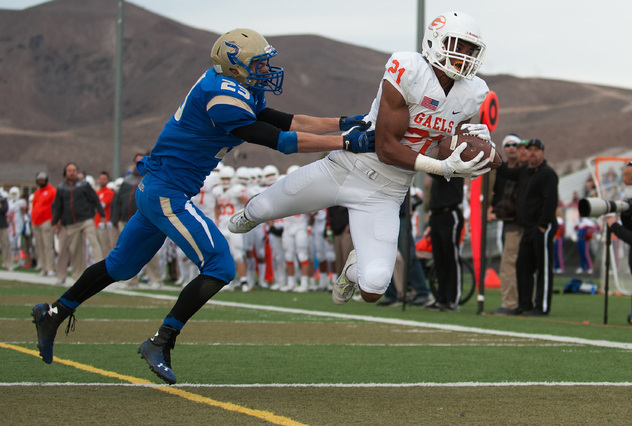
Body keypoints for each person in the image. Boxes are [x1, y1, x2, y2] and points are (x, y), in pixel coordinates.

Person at [31, 28, 375, 385]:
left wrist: (342, 124)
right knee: (221, 265)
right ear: (235, 66)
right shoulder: (222, 98)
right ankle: (161, 341)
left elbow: (286, 120)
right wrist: (347, 143)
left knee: (120, 266)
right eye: (257, 64)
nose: (264, 70)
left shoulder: (232, 86)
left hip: (158, 188)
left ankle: (54, 312)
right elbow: (281, 141)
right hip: (168, 192)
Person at [229, 12, 493, 306]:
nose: (464, 55)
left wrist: (468, 146)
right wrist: (441, 167)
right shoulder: (409, 70)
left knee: (374, 288)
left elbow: (443, 147)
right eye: (458, 45)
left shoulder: (472, 93)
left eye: (470, 50)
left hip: (386, 192)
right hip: (346, 167)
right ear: (435, 41)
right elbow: (387, 148)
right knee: (259, 209)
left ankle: (354, 269)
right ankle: (251, 215)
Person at [502, 139, 558, 316]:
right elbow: (505, 171)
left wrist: (543, 224)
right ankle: (524, 304)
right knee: (522, 266)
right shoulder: (525, 172)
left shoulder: (548, 174)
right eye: (530, 149)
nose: (533, 153)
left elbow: (551, 200)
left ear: (542, 152)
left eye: (536, 150)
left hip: (542, 226)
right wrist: (488, 153)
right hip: (526, 227)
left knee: (543, 268)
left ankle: (541, 306)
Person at [111, 153, 165, 288]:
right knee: (127, 251)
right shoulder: (127, 180)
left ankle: (156, 279)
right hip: (126, 220)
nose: (138, 164)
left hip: (146, 221)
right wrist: (116, 218)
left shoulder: (151, 178)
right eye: (136, 162)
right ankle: (131, 280)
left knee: (149, 250)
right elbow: (118, 201)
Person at [51, 162, 105, 283]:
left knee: (93, 241)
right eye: (70, 170)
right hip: (71, 223)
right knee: (75, 250)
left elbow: (95, 199)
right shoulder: (61, 188)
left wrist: (101, 214)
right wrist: (55, 222)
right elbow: (57, 206)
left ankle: (101, 270)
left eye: (74, 170)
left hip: (86, 219)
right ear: (65, 173)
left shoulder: (84, 185)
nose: (72, 172)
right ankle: (77, 277)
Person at [488, 133, 523, 315]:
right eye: (508, 145)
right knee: (510, 262)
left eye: (514, 145)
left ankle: (511, 304)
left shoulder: (522, 169)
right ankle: (515, 301)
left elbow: (510, 174)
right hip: (506, 221)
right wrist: (493, 209)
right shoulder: (503, 172)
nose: (511, 148)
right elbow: (497, 192)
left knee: (510, 264)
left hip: (518, 223)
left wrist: (493, 159)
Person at [425, 175, 465, 311]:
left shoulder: (453, 162)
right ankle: (441, 298)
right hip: (437, 215)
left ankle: (453, 299)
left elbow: (437, 172)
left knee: (451, 258)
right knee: (439, 259)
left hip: (450, 214)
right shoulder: (439, 162)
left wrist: (421, 160)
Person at [31, 172, 57, 277]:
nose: (41, 181)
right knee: (39, 246)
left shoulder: (52, 191)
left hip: (46, 221)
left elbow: (55, 206)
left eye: (43, 179)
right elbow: (34, 206)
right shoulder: (37, 192)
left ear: (46, 180)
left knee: (48, 246)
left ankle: (50, 268)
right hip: (36, 222)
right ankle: (43, 267)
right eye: (39, 179)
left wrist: (52, 220)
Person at [94, 171, 116, 257]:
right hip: (96, 222)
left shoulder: (109, 192)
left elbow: (101, 206)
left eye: (104, 179)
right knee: (97, 247)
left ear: (107, 180)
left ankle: (105, 266)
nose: (102, 180)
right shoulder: (97, 192)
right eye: (101, 179)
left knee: (105, 247)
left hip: (104, 223)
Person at [0, 189, 11, 270]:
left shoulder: (3, 200)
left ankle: (7, 263)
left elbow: (4, 209)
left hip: (2, 226)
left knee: (5, 245)